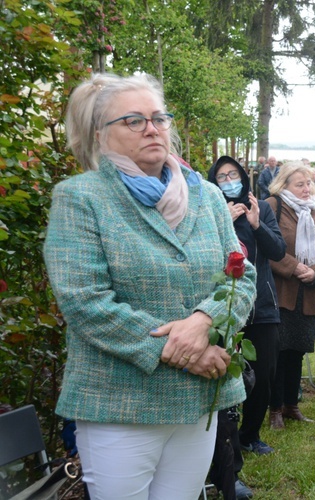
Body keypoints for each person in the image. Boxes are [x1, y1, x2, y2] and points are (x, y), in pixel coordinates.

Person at [43, 73, 256, 498]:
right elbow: (85, 300)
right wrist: (180, 349)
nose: (153, 129)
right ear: (100, 134)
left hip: (198, 402)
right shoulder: (80, 197)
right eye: (134, 121)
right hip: (120, 405)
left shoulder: (208, 197)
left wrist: (203, 320)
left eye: (159, 118)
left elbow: (242, 275)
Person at [207, 155, 286, 465]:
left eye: (233, 175)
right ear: (213, 183)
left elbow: (278, 251)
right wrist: (224, 222)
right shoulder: (209, 211)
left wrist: (256, 225)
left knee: (265, 372)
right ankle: (226, 434)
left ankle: (250, 435)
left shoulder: (261, 207)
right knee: (227, 370)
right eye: (222, 177)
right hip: (224, 305)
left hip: (261, 303)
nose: (229, 181)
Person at [266, 163, 315, 428]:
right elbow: (266, 246)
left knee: (297, 351)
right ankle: (274, 410)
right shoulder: (272, 206)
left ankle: (292, 406)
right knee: (278, 353)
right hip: (281, 290)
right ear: (284, 186)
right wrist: (294, 267)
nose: (307, 189)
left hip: (308, 292)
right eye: (300, 184)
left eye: (309, 184)